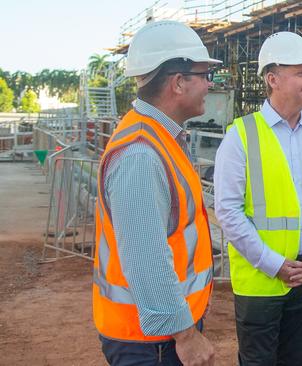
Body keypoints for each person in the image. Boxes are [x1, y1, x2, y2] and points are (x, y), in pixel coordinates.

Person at [213, 31, 302, 365]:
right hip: (261, 283)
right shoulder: (241, 135)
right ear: (273, 79)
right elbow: (228, 211)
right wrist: (274, 265)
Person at [92, 20, 220, 366]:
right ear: (178, 82)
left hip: (156, 334)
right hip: (151, 341)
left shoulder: (158, 138)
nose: (210, 84)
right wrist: (186, 335)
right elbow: (145, 255)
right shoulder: (141, 153)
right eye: (205, 75)